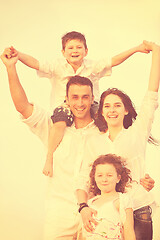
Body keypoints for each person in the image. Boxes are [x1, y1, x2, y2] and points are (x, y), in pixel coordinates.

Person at [1, 46, 154, 240]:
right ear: (66, 99)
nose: (80, 103)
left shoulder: (103, 133)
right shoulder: (52, 127)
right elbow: (22, 106)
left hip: (97, 212)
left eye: (85, 97)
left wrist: (141, 182)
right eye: (74, 97)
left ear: (92, 99)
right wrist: (10, 68)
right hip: (59, 213)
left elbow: (123, 161)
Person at [5, 31, 150, 178]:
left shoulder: (92, 67)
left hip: (92, 105)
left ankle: (114, 159)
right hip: (63, 106)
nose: (75, 50)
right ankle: (49, 157)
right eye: (70, 48)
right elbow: (36, 63)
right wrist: (19, 55)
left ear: (86, 51)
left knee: (105, 128)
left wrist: (136, 49)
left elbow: (113, 60)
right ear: (63, 52)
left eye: (79, 47)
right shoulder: (57, 66)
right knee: (59, 124)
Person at [76, 41, 160, 240]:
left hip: (138, 209)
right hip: (106, 212)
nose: (112, 110)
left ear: (126, 110)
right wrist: (83, 207)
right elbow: (83, 177)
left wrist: (156, 52)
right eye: (107, 106)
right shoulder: (92, 140)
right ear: (102, 111)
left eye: (117, 105)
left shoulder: (137, 132)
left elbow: (151, 95)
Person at [83, 154, 136, 240]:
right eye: (100, 175)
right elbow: (82, 234)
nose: (104, 179)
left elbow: (129, 232)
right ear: (94, 178)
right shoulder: (89, 203)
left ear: (118, 178)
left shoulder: (123, 200)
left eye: (109, 175)